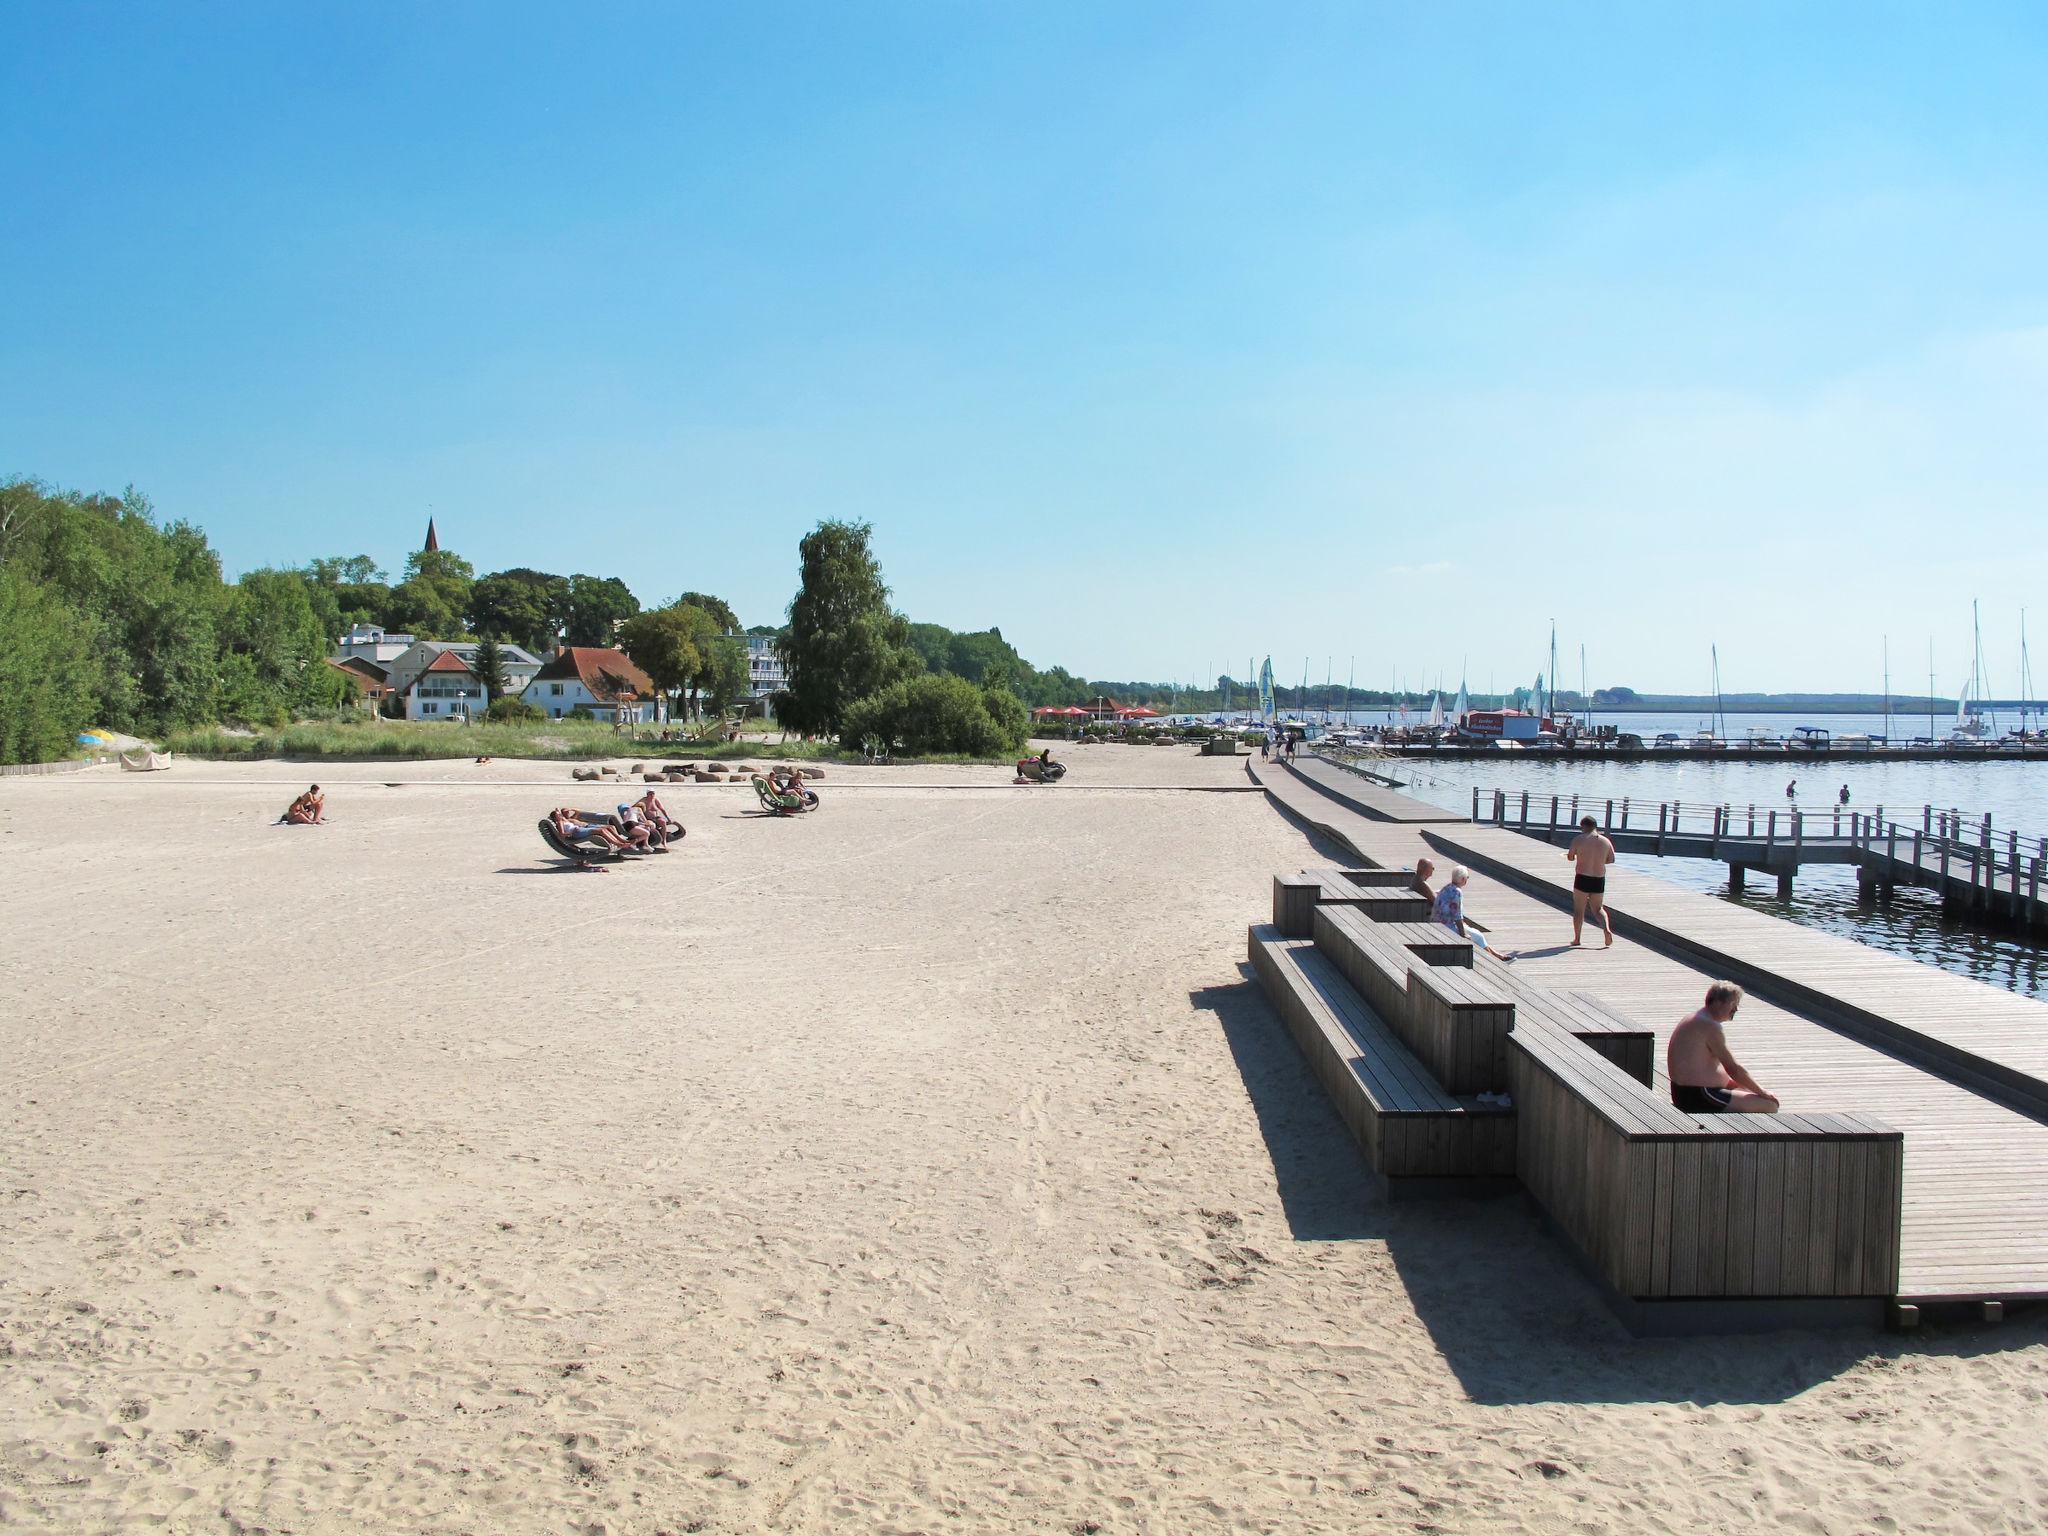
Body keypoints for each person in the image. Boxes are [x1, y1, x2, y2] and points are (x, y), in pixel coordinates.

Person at [1667, 982, 1779, 1114]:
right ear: (1717, 1002)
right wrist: (1762, 1091)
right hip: (1698, 1095)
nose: (1736, 1009)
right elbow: (1733, 1069)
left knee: (1746, 1090)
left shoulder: (1697, 1017)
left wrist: (1745, 1087)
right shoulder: (1709, 1026)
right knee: (1769, 1105)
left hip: (1685, 1092)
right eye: (1733, 1004)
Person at [1432, 865, 1512, 962]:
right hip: (1447, 926)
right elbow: (1457, 915)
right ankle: (1496, 960)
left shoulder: (1446, 887)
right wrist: (1463, 933)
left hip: (1439, 923)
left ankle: (1498, 956)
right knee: (1478, 937)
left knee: (1477, 934)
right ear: (1463, 879)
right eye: (1467, 878)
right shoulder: (1457, 892)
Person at [1565, 814, 1616, 948]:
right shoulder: (1605, 841)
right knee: (1598, 908)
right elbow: (1611, 859)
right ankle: (1606, 929)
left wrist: (1575, 855)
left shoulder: (1579, 839)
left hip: (1583, 877)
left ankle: (1577, 939)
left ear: (1583, 826)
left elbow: (1570, 857)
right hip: (1599, 878)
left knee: (1579, 910)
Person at [552, 806, 633, 851]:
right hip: (577, 831)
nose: (561, 815)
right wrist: (570, 833)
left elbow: (578, 811)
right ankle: (619, 844)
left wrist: (570, 809)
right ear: (556, 817)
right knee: (601, 830)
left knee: (608, 828)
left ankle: (622, 841)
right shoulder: (560, 823)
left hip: (580, 829)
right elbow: (562, 834)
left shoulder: (566, 820)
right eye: (558, 814)